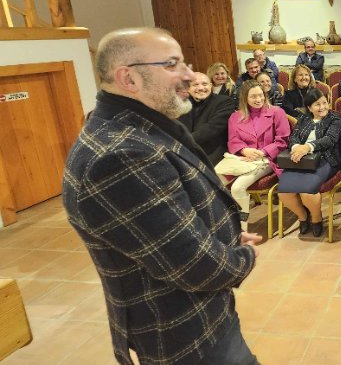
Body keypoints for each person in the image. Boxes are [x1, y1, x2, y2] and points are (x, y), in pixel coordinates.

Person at [63, 27, 261, 365]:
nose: (189, 76)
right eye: (171, 65)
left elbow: (169, 219)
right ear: (128, 78)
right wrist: (244, 257)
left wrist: (224, 234)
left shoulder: (144, 125)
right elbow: (194, 264)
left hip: (204, 316)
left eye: (184, 63)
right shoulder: (121, 156)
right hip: (183, 334)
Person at [278, 88, 341, 238]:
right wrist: (296, 147)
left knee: (307, 191)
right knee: (284, 191)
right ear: (309, 107)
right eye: (317, 104)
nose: (322, 107)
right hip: (300, 159)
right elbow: (293, 137)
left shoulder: (334, 118)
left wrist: (307, 147)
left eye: (324, 103)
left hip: (325, 159)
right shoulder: (304, 118)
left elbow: (330, 139)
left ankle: (316, 218)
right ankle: (302, 216)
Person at [226, 80, 291, 231]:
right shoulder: (235, 117)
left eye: (261, 95)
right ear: (245, 98)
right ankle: (221, 224)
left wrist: (263, 152)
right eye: (253, 96)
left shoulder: (276, 112)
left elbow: (283, 140)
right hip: (243, 158)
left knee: (237, 188)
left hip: (267, 159)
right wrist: (244, 150)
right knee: (213, 181)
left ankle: (241, 230)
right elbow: (233, 140)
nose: (258, 99)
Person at [179, 72, 236, 165]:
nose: (201, 88)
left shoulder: (225, 101)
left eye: (204, 84)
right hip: (187, 149)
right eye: (195, 85)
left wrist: (183, 141)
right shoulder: (183, 103)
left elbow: (212, 128)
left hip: (213, 150)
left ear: (211, 86)